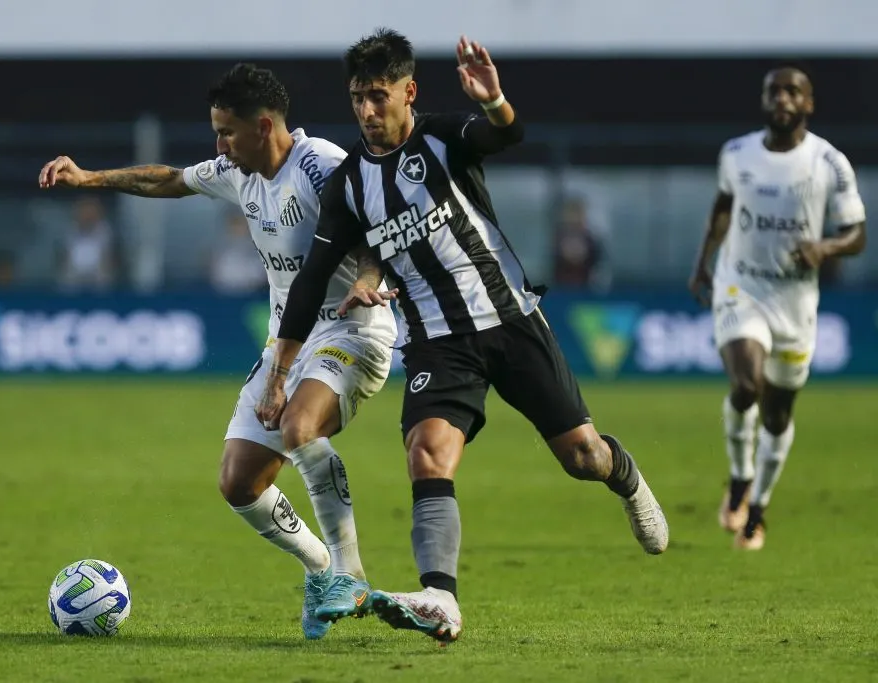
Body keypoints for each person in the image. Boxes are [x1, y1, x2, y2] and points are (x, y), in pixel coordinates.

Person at [255, 29, 668, 644]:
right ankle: (441, 598)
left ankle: (626, 476)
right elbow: (311, 281)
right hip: (435, 341)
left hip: (510, 320)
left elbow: (505, 134)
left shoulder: (444, 136)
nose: (367, 111)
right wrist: (283, 371)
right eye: (357, 99)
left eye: (378, 96)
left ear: (408, 92)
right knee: (426, 452)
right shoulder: (347, 185)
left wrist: (495, 100)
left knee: (582, 457)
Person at [38, 63, 398, 638]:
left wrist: (368, 277)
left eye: (226, 131)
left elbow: (376, 226)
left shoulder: (322, 168)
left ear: (263, 126)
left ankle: (350, 576)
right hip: (287, 341)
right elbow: (168, 179)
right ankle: (321, 567)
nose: (218, 144)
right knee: (238, 481)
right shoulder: (240, 171)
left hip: (354, 331)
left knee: (301, 427)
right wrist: (88, 179)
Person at [689, 66, 866, 550]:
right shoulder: (737, 153)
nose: (783, 99)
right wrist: (703, 261)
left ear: (808, 104)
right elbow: (723, 207)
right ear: (764, 101)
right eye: (775, 91)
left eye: (794, 92)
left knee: (778, 416)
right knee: (747, 384)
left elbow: (858, 234)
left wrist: (825, 249)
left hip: (795, 302)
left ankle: (758, 508)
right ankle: (740, 478)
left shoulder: (829, 162)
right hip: (740, 286)